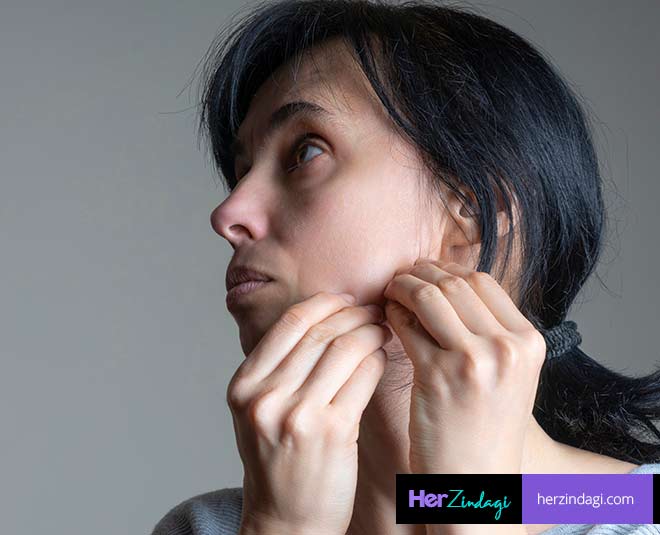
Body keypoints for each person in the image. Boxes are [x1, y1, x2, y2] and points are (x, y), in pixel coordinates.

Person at [151, 1, 660, 534]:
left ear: (471, 211)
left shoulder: (639, 511)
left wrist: (472, 506)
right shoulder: (206, 527)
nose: (228, 214)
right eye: (241, 172)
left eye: (305, 152)